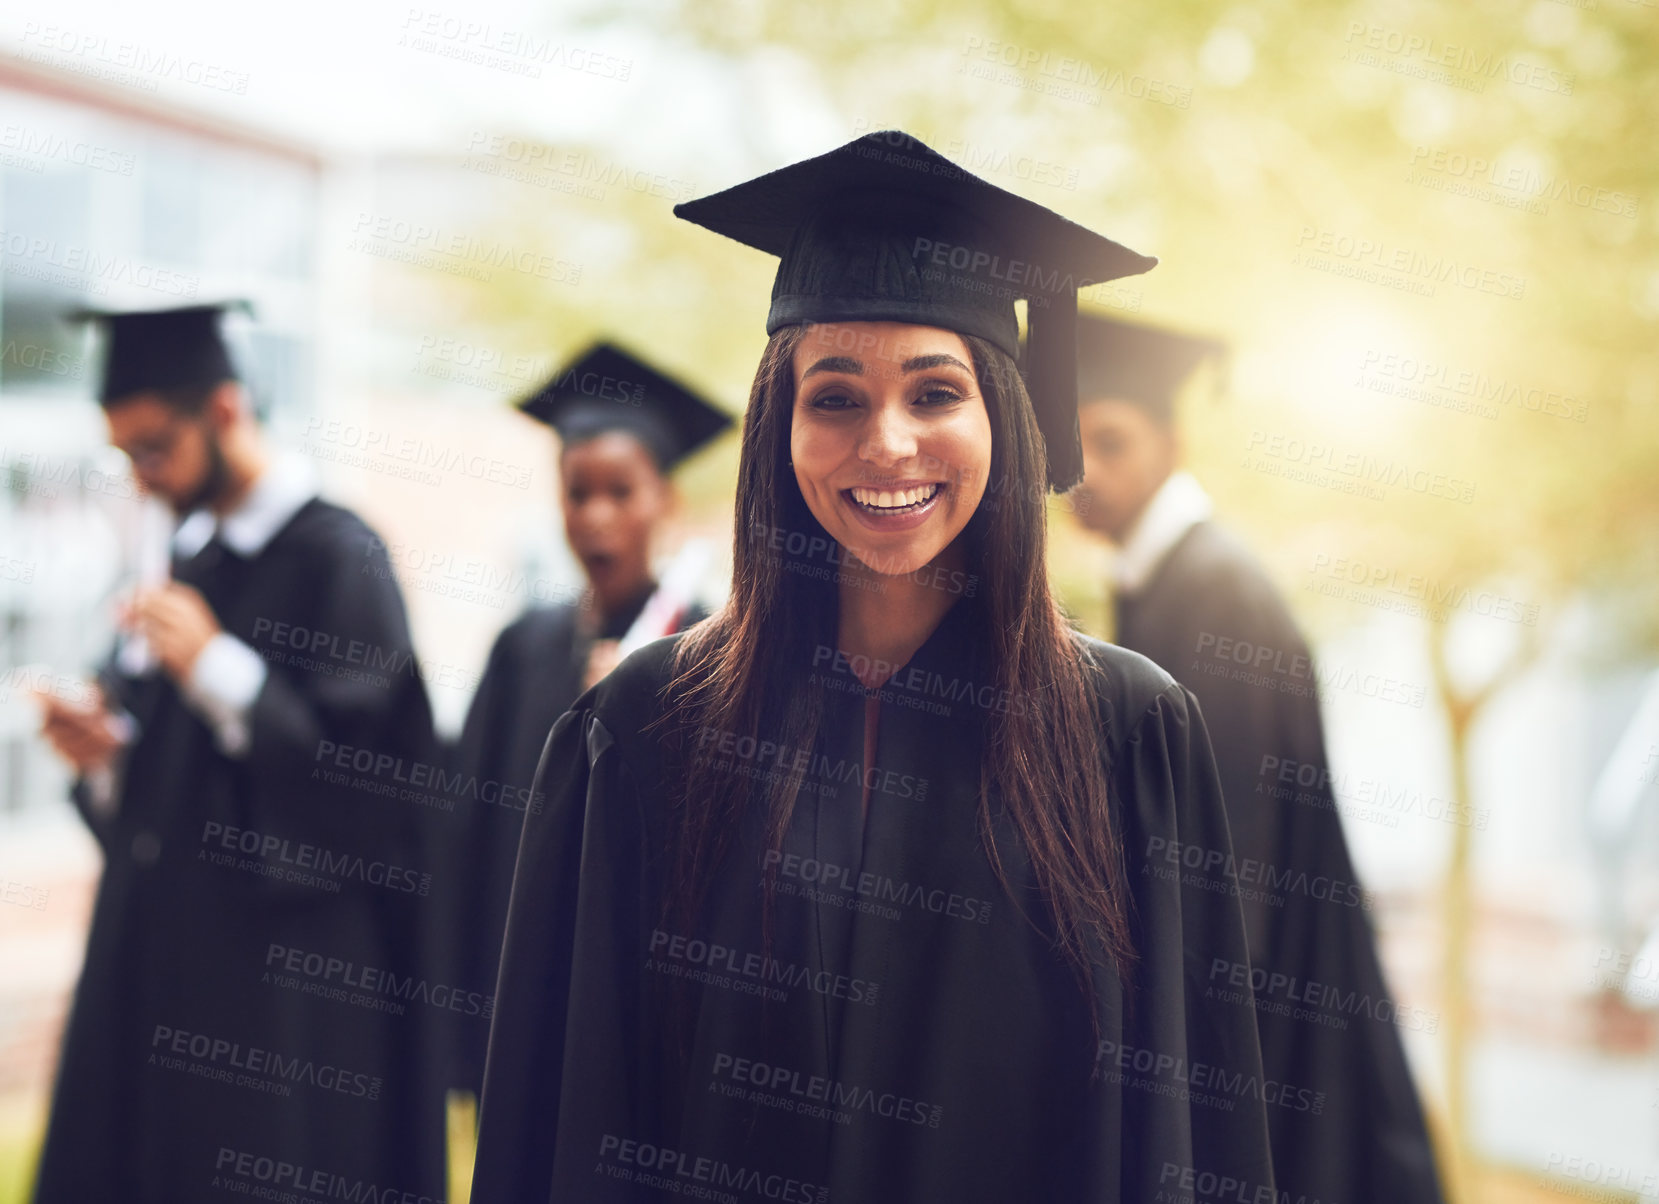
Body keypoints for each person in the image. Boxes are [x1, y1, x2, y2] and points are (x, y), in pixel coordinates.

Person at [471, 131, 1280, 1203]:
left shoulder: (1124, 732)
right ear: (781, 427)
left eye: (937, 393)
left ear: (1008, 416)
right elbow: (563, 1121)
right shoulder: (647, 728)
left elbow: (1189, 1136)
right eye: (836, 397)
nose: (888, 442)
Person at [33, 303, 444, 1202]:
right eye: (124, 457)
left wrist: (220, 668)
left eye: (152, 448)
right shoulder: (184, 560)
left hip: (280, 1000)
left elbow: (375, 790)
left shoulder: (339, 556)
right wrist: (104, 757)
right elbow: (165, 794)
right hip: (159, 964)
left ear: (223, 411)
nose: (143, 479)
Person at [1071, 312, 1446, 1203]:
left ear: (1173, 439)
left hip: (1263, 1014)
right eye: (1067, 446)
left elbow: (1230, 862)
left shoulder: (1214, 596)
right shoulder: (1168, 580)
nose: (1084, 472)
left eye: (1111, 440)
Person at [436, 341, 732, 1104]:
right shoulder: (523, 646)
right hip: (525, 979)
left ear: (663, 498)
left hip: (643, 995)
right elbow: (468, 829)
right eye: (577, 492)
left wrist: (648, 715)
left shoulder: (706, 654)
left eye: (620, 491)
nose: (595, 516)